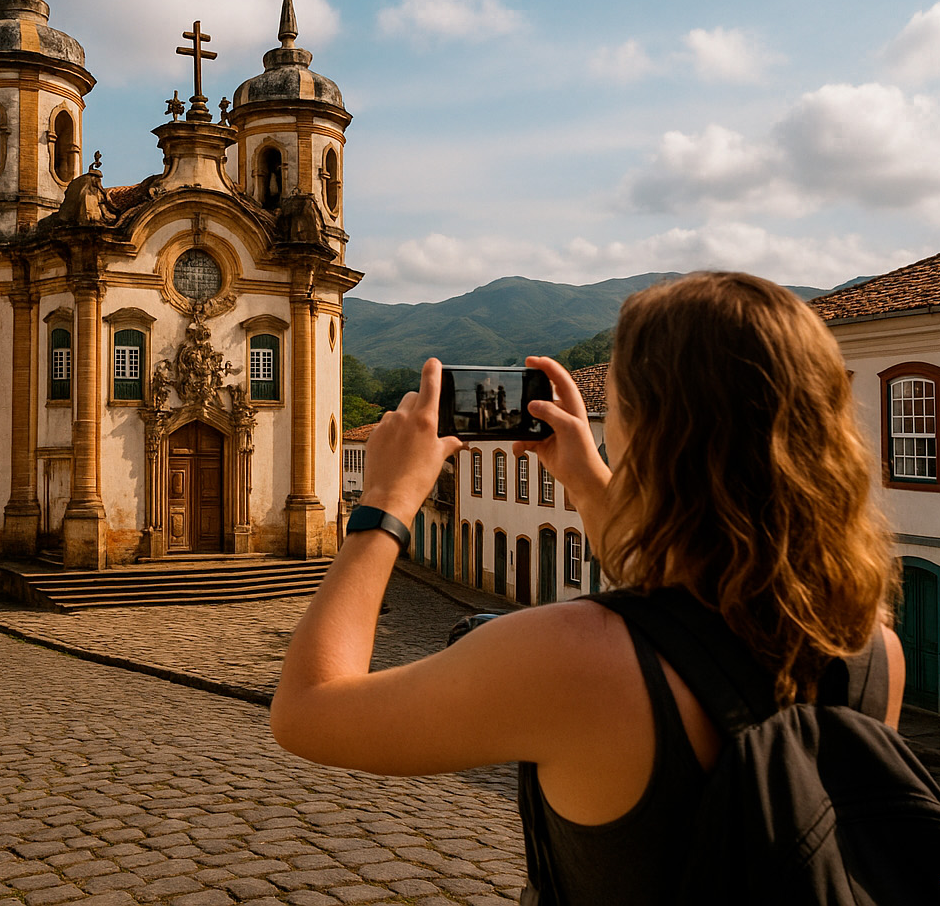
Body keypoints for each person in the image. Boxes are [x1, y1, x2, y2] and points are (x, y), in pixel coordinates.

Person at [270, 272, 905, 905]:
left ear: (649, 430)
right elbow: (690, 625)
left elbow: (308, 711)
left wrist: (385, 502)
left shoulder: (575, 656)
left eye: (619, 400)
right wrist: (582, 476)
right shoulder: (872, 647)